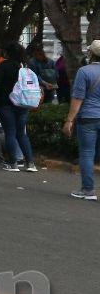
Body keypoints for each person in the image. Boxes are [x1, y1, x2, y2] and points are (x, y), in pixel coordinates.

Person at [0, 41, 38, 173]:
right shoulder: (25, 67)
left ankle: (13, 163)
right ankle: (30, 163)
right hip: (24, 103)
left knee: (10, 132)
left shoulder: (3, 66)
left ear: (7, 53)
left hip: (6, 103)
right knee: (21, 133)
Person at [65, 40, 100, 200]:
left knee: (87, 153)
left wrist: (69, 120)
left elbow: (78, 98)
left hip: (88, 117)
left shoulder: (84, 72)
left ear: (91, 54)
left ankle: (88, 190)